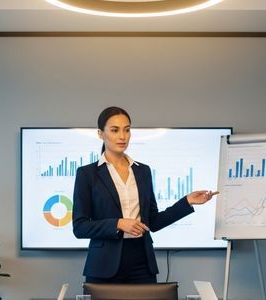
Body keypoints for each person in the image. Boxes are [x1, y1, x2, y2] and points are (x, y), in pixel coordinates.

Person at [72, 106, 218, 283]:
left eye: (127, 130)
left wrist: (187, 201)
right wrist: (118, 224)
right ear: (100, 134)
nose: (122, 136)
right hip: (103, 265)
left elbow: (153, 221)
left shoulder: (143, 171)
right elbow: (80, 227)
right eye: (114, 130)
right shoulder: (87, 174)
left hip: (141, 262)